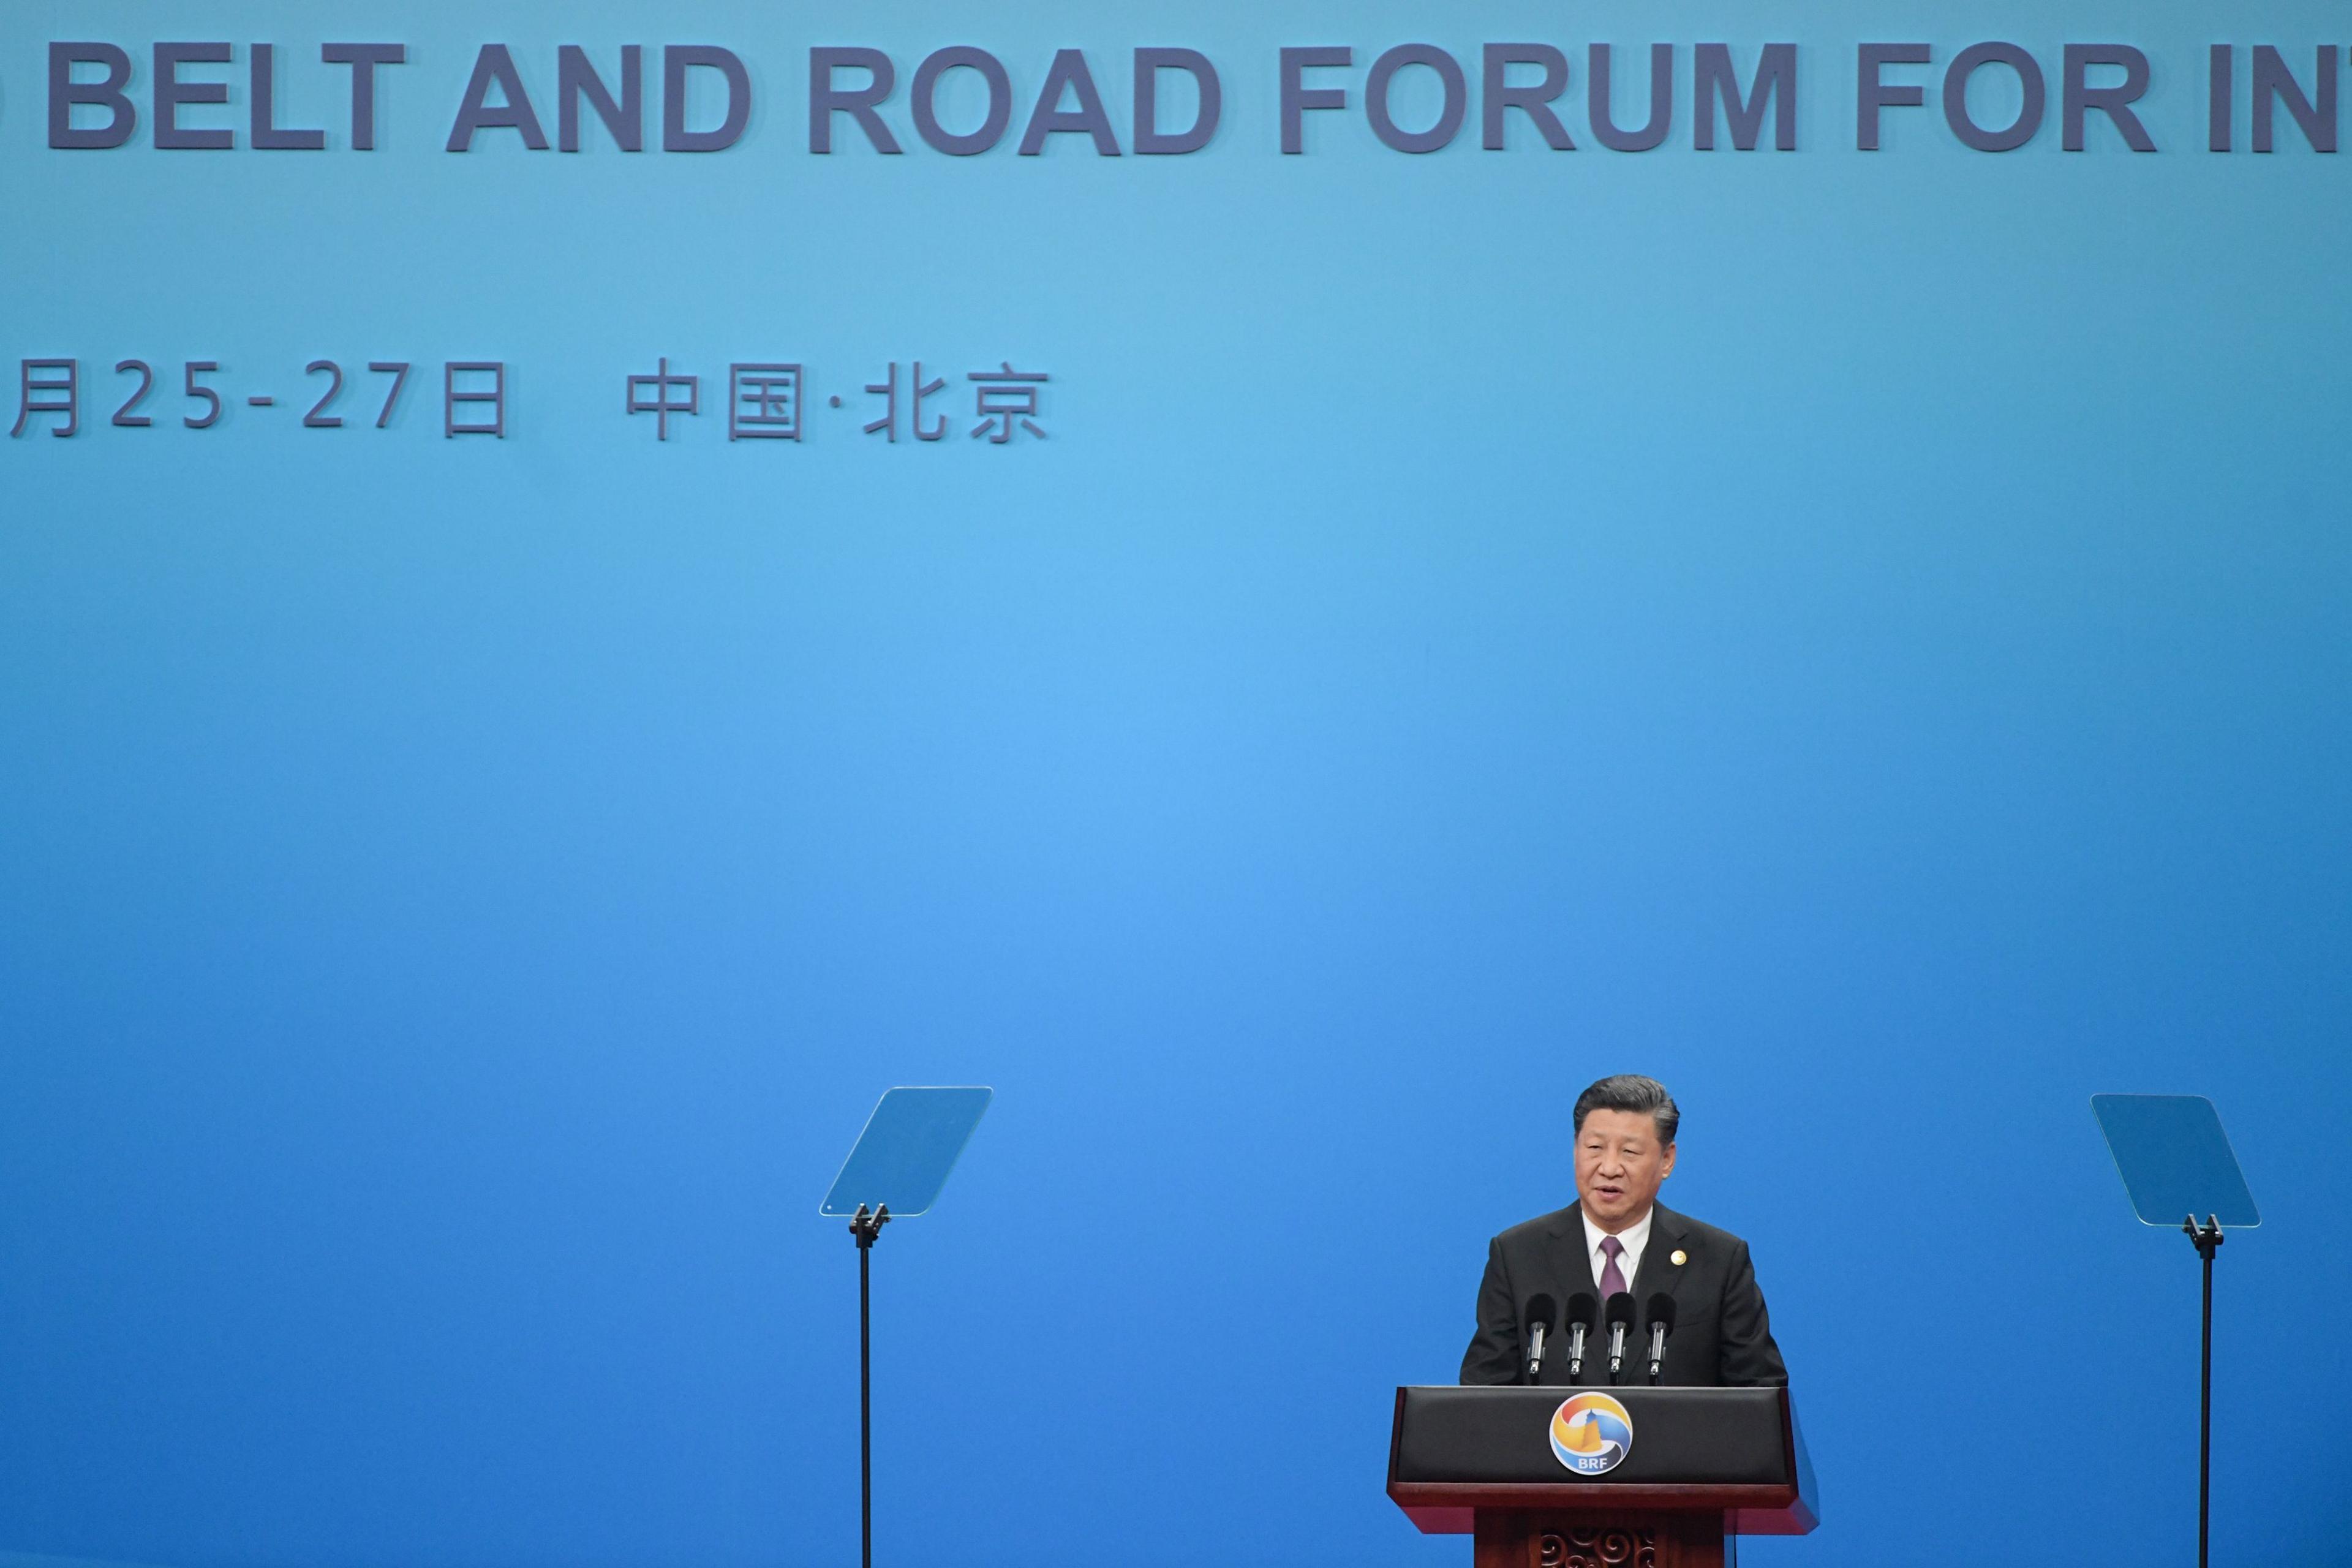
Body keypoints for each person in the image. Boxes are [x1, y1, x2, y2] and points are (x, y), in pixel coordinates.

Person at [1459, 1074, 1787, 1387]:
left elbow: (1760, 1392)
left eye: (1629, 1152)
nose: (1610, 1168)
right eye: (1595, 1148)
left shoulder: (1719, 1260)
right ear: (1576, 1149)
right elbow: (1484, 1393)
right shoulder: (1518, 1254)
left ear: (1667, 1160)